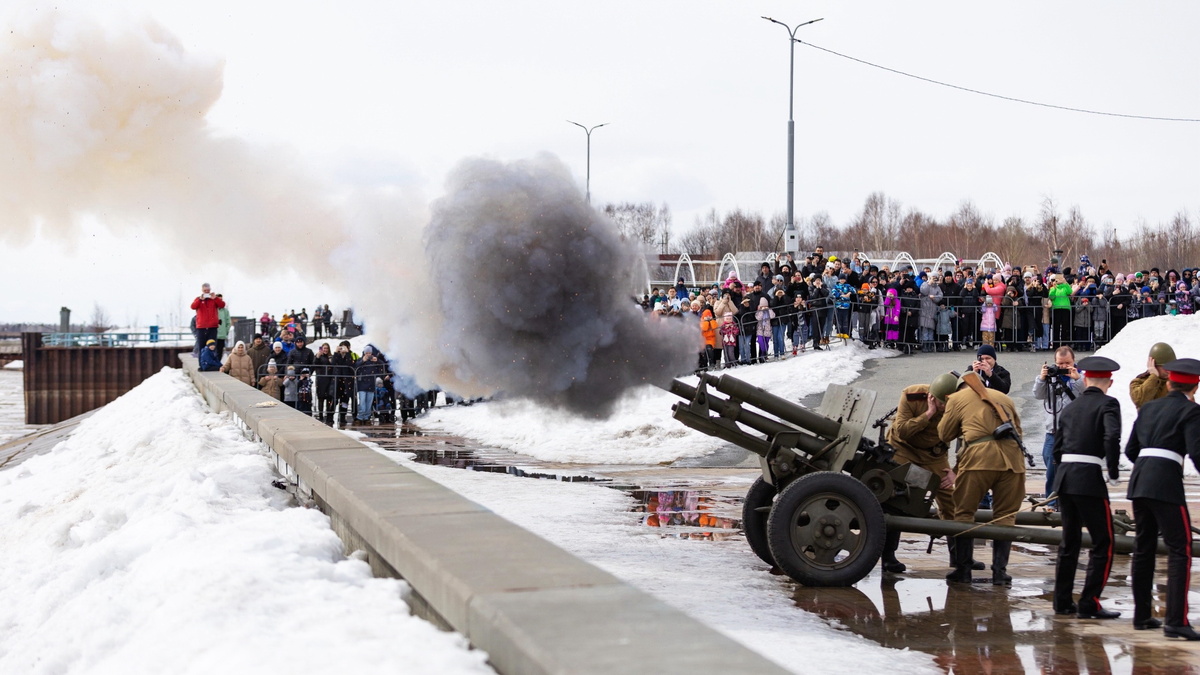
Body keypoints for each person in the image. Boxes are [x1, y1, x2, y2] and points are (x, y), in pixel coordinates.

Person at [1125, 358, 1200, 639]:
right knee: (1180, 549)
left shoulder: (1149, 408)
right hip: (1165, 483)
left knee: (1143, 549)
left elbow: (1131, 450)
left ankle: (1142, 615)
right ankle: (1175, 620)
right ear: (1196, 385)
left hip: (1140, 480)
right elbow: (1196, 451)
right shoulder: (1192, 411)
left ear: (1169, 383)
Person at [1051, 356, 1123, 620]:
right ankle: (1089, 602)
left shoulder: (1071, 407)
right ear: (1109, 382)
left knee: (1069, 542)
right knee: (1104, 541)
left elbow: (1057, 448)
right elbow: (1111, 436)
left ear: (1086, 379)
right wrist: (1113, 471)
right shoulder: (1109, 403)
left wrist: (1064, 471)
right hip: (1089, 479)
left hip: (1066, 478)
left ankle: (1062, 601)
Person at [939, 372, 1025, 585]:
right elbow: (1019, 431)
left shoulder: (957, 399)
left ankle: (963, 570)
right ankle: (999, 573)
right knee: (1005, 516)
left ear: (959, 388)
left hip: (979, 459)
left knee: (964, 512)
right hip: (1013, 461)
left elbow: (944, 433)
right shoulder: (1003, 397)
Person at [881, 373, 964, 573]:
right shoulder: (911, 395)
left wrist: (955, 472)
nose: (945, 409)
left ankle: (960, 558)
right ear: (932, 397)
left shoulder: (960, 404)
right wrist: (928, 414)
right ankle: (888, 558)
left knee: (951, 500)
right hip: (903, 450)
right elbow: (901, 430)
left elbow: (969, 439)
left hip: (935, 455)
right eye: (942, 404)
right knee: (896, 499)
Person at [1033, 346, 1084, 503]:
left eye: (1067, 363)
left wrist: (1077, 379)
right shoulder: (1051, 376)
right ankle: (1052, 502)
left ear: (1074, 361)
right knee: (1051, 466)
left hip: (1074, 431)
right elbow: (1038, 395)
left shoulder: (1080, 377)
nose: (1063, 367)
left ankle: (1071, 500)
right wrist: (1042, 378)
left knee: (1074, 468)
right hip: (1053, 430)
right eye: (1060, 363)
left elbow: (1087, 393)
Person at [1130, 342, 1176, 410]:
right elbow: (1140, 402)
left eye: (1170, 366)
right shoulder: (1138, 382)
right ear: (1154, 365)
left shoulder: (1176, 383)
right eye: (1164, 367)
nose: (1168, 371)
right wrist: (1154, 377)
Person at [190, 283, 225, 357]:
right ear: (202, 290)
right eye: (205, 290)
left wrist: (215, 298)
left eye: (208, 290)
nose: (206, 292)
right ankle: (202, 365)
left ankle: (211, 363)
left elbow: (222, 305)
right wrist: (200, 300)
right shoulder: (198, 299)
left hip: (212, 326)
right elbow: (193, 306)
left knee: (212, 346)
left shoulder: (214, 299)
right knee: (201, 346)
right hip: (201, 327)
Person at [355, 345, 385, 424]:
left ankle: (367, 417)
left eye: (369, 353)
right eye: (367, 353)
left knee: (369, 402)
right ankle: (361, 416)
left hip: (371, 384)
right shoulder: (360, 360)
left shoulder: (374, 360)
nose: (368, 354)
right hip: (362, 384)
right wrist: (362, 361)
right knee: (362, 402)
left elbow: (382, 366)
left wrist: (377, 360)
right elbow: (355, 367)